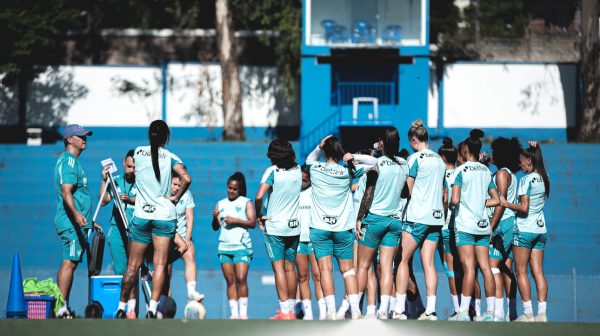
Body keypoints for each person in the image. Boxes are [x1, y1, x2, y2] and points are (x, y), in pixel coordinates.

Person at [116, 120, 191, 319]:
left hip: (141, 215)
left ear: (150, 135)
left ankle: (122, 307)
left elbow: (130, 167)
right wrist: (175, 198)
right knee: (160, 264)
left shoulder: (138, 152)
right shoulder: (171, 156)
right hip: (164, 216)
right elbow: (187, 178)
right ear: (166, 137)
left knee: (132, 265)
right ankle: (152, 308)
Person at [305, 135, 377, 320]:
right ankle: (355, 311)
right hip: (343, 228)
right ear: (339, 151)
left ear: (326, 151)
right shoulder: (348, 171)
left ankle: (330, 312)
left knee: (325, 270)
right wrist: (354, 156)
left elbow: (309, 159)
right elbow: (375, 162)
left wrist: (319, 147)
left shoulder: (315, 168)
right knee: (348, 271)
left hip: (319, 227)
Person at [393, 120, 446, 321]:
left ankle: (399, 310)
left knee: (401, 260)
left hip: (417, 217)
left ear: (414, 140)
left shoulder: (414, 159)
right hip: (435, 218)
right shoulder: (440, 161)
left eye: (410, 141)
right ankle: (430, 311)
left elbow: (408, 189)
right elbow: (443, 192)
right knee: (429, 263)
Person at [355, 127, 408, 320]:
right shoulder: (404, 164)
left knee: (363, 265)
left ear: (383, 143)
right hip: (394, 221)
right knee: (387, 267)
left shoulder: (378, 164)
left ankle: (355, 309)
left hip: (375, 219)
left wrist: (359, 217)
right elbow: (404, 193)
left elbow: (368, 194)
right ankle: (384, 310)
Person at [449, 129, 500, 322]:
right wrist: (479, 202)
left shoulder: (460, 171)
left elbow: (454, 200)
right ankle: (492, 312)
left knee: (469, 269)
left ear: (466, 150)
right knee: (486, 268)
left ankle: (462, 312)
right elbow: (496, 200)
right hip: (482, 225)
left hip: (465, 225)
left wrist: (452, 203)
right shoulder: (486, 171)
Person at [54, 124, 101, 318]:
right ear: (69, 139)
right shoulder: (69, 162)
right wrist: (75, 214)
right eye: (80, 136)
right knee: (69, 261)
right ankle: (60, 309)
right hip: (71, 222)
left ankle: (62, 306)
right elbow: (66, 191)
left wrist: (89, 220)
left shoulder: (71, 162)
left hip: (78, 221)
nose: (85, 139)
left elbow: (76, 194)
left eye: (86, 136)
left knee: (71, 262)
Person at [500, 142, 550, 322]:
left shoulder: (526, 180)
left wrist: (505, 203)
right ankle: (542, 314)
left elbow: (524, 207)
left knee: (520, 271)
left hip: (524, 230)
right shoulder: (545, 176)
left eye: (522, 160)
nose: (519, 164)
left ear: (529, 160)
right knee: (538, 271)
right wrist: (538, 148)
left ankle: (528, 313)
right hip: (540, 229)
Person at [255, 140, 302, 320]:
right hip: (294, 226)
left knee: (279, 269)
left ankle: (284, 311)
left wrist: (260, 214)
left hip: (276, 227)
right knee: (291, 269)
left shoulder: (272, 171)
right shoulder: (298, 170)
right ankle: (290, 310)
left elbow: (259, 197)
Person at [99, 149, 137, 318]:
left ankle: (132, 309)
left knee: (133, 270)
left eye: (135, 168)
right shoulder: (115, 181)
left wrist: (130, 200)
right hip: (117, 230)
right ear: (123, 163)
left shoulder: (142, 183)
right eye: (129, 166)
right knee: (122, 272)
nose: (131, 170)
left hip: (135, 232)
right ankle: (125, 307)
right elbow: (104, 200)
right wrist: (104, 180)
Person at [212, 172, 256, 319]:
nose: (231, 191)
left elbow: (252, 222)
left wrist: (236, 220)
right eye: (229, 188)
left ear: (240, 189)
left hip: (241, 246)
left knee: (241, 278)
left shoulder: (246, 202)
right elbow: (215, 227)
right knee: (230, 281)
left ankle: (243, 313)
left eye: (234, 189)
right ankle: (234, 314)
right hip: (225, 247)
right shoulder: (221, 203)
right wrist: (214, 217)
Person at [488, 137, 522, 321]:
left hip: (503, 223)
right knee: (507, 267)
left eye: (494, 151)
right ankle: (512, 313)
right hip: (511, 223)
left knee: (493, 266)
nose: (491, 154)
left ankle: (498, 313)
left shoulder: (501, 174)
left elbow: (500, 203)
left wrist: (492, 226)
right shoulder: (511, 174)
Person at [296, 165, 325, 320]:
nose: (302, 181)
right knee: (302, 276)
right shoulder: (293, 193)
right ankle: (308, 313)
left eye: (305, 178)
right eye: (300, 178)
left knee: (318, 275)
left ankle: (323, 312)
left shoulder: (316, 192)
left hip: (314, 240)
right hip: (299, 241)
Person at [170, 174, 205, 302]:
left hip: (182, 235)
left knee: (190, 256)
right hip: (168, 236)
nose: (177, 188)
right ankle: (164, 304)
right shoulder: (163, 192)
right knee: (166, 272)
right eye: (174, 184)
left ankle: (191, 292)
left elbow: (190, 217)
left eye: (180, 185)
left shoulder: (187, 195)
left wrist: (187, 238)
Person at [437, 137, 460, 318]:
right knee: (466, 269)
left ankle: (458, 309)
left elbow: (443, 199)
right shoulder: (462, 171)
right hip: (462, 226)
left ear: (444, 157)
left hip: (445, 225)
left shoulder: (440, 175)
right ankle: (469, 308)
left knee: (449, 267)